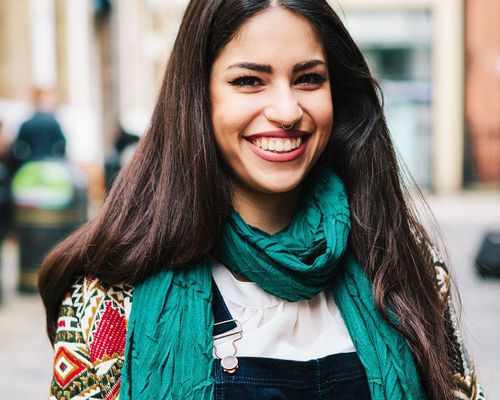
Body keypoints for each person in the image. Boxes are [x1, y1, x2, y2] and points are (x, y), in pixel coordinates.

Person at [40, 1, 485, 399]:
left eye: (309, 78)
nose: (287, 110)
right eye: (250, 80)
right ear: (198, 98)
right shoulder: (110, 299)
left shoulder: (401, 266)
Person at [9, 87, 66, 171]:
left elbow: (18, 148)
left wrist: (23, 161)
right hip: (50, 166)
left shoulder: (26, 124)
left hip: (30, 165)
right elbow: (61, 145)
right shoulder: (54, 123)